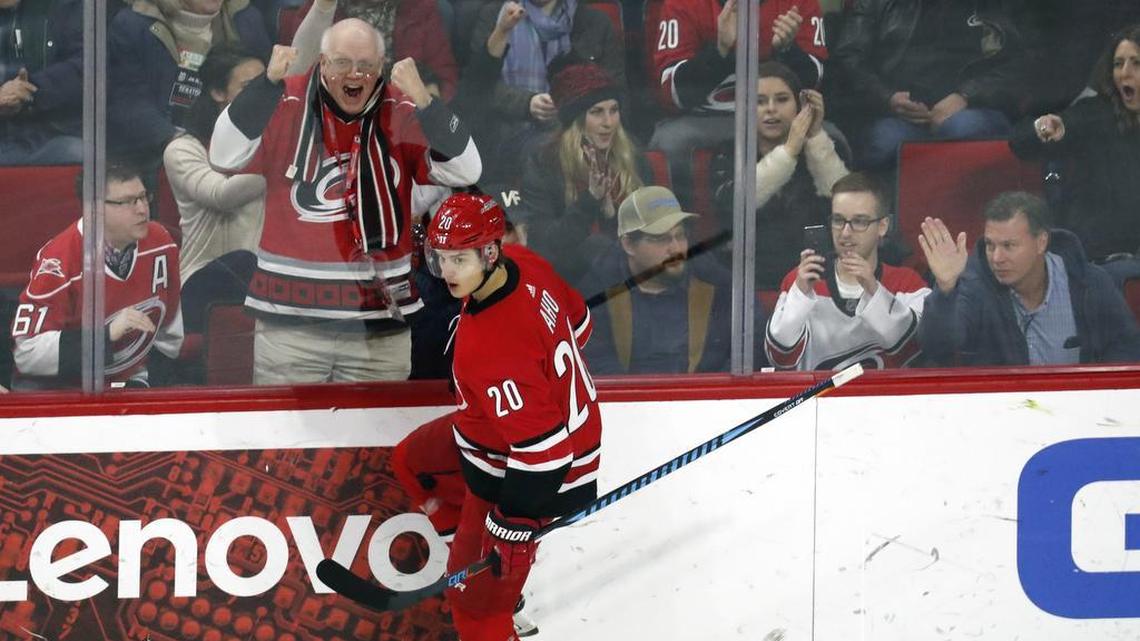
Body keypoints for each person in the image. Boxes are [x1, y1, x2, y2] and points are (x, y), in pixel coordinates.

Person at [209, 20, 482, 384]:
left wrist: (426, 102)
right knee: (291, 443)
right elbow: (222, 155)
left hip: (381, 330)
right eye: (341, 62)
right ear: (322, 63)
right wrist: (265, 85)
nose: (355, 74)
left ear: (382, 67)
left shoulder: (402, 108)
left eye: (366, 65)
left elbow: (467, 169)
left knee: (377, 442)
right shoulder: (283, 99)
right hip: (292, 329)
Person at [391, 193, 601, 641]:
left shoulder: (489, 348)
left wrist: (511, 527)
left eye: (458, 259)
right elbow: (581, 326)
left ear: (489, 252)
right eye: (439, 257)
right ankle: (484, 575)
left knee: (474, 605)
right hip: (513, 437)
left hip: (537, 473)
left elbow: (545, 457)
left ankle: (489, 596)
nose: (446, 272)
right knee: (413, 461)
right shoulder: (524, 260)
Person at [10, 163, 184, 390]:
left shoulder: (161, 242)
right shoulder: (58, 261)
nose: (143, 209)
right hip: (59, 391)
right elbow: (27, 353)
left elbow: (168, 335)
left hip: (127, 383)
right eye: (129, 202)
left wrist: (145, 383)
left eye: (143, 197)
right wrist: (104, 336)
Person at [918, 191, 1140, 366]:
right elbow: (938, 348)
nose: (997, 258)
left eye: (1009, 246)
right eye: (990, 245)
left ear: (1041, 242)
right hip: (1003, 412)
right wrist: (946, 290)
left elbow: (1127, 350)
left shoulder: (1089, 283)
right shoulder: (975, 286)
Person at [649, 0, 828, 201]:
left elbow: (814, 85)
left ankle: (813, 228)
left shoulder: (799, 3)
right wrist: (720, 51)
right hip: (707, 120)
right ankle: (685, 230)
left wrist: (789, 51)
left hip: (779, 117)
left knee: (831, 138)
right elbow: (673, 94)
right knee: (671, 142)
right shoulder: (682, 4)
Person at [829, 0, 1035, 169]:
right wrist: (888, 98)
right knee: (886, 143)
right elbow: (849, 58)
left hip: (975, 108)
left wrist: (966, 96)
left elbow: (1022, 64)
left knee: (962, 128)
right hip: (896, 116)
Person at [1009, 24, 1140, 289]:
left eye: (1136, 63)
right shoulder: (1095, 115)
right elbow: (1021, 142)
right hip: (1107, 254)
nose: (1124, 73)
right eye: (1118, 63)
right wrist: (1046, 126)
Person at [765, 173, 929, 370]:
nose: (845, 233)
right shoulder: (800, 281)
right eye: (838, 220)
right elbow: (779, 357)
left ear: (883, 226)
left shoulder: (908, 284)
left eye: (859, 222)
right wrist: (800, 295)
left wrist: (873, 289)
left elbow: (912, 349)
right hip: (817, 399)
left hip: (884, 400)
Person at [582, 185, 750, 374]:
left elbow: (748, 349)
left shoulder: (716, 284)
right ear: (628, 244)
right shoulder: (598, 293)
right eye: (661, 239)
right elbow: (595, 363)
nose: (676, 248)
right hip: (629, 402)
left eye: (680, 236)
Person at [712, 62, 848, 289]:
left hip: (817, 273)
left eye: (782, 99)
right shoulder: (728, 153)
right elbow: (734, 204)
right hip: (750, 277)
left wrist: (814, 137)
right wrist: (789, 150)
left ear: (800, 106)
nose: (771, 109)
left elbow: (845, 205)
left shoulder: (822, 149)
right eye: (760, 101)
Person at [521, 57, 648, 284]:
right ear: (577, 119)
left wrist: (611, 212)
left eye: (614, 110)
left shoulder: (633, 155)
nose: (608, 122)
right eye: (597, 112)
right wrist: (590, 201)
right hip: (573, 277)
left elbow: (650, 227)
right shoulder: (545, 162)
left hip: (634, 267)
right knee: (597, 247)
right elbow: (545, 247)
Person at [468, 0, 626, 181]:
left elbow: (615, 89)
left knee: (623, 151)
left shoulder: (594, 21)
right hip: (510, 129)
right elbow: (477, 87)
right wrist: (527, 103)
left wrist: (570, 105)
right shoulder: (495, 16)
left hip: (579, 126)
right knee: (549, 151)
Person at [109, 0, 273, 161]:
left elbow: (267, 87)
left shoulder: (245, 18)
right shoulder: (134, 24)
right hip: (157, 149)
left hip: (237, 145)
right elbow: (128, 101)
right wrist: (175, 140)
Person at [290, 0, 459, 100]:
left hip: (402, 117)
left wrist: (428, 99)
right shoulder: (322, 6)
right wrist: (323, 9)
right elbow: (295, 76)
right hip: (336, 112)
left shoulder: (420, 7)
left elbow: (445, 77)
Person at [0, 0, 83, 165]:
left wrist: (29, 90)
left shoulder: (65, 7)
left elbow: (85, 66)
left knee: (78, 153)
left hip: (52, 133)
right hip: (5, 137)